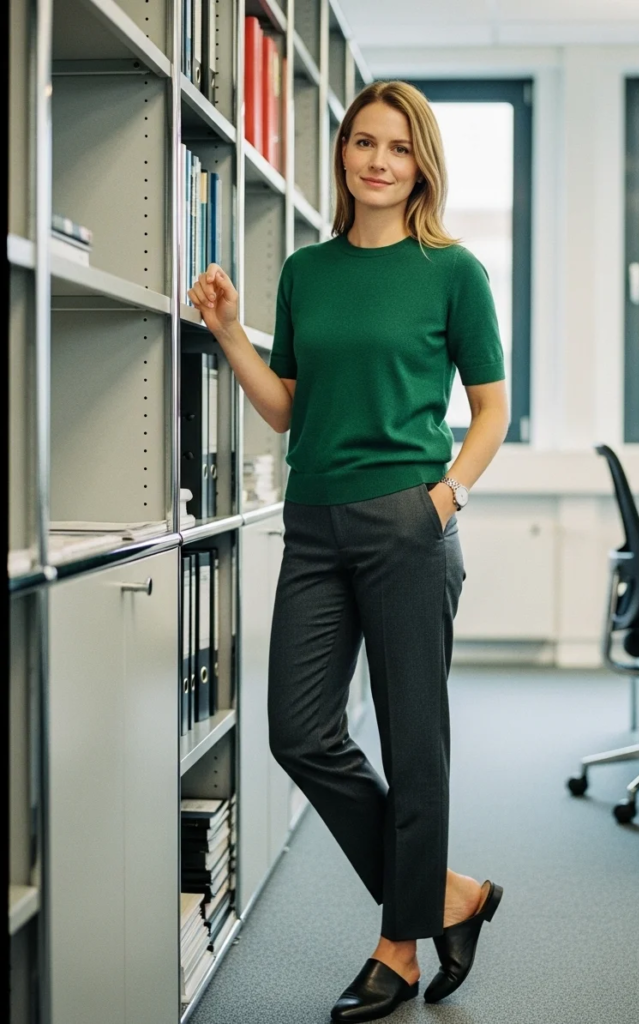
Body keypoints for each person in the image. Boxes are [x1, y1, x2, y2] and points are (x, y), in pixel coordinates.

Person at [187, 79, 509, 1023]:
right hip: (315, 523)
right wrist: (227, 333)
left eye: (399, 148)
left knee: (416, 745)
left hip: (409, 522)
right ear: (342, 156)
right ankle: (449, 895)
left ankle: (395, 949)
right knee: (300, 730)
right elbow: (291, 406)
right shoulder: (305, 271)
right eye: (363, 143)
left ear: (423, 164)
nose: (378, 160)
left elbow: (492, 410)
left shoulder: (453, 271)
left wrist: (444, 497)